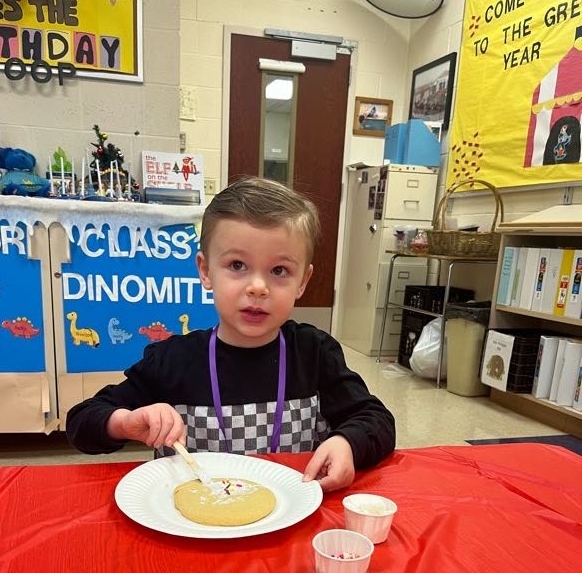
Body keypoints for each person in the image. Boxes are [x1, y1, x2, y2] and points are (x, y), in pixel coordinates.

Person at [66, 176, 395, 492]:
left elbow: (376, 420)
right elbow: (81, 423)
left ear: (303, 282)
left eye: (279, 271)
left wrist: (347, 442)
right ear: (206, 271)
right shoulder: (171, 360)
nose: (257, 287)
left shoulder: (313, 353)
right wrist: (124, 422)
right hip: (193, 530)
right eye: (237, 265)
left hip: (287, 525)